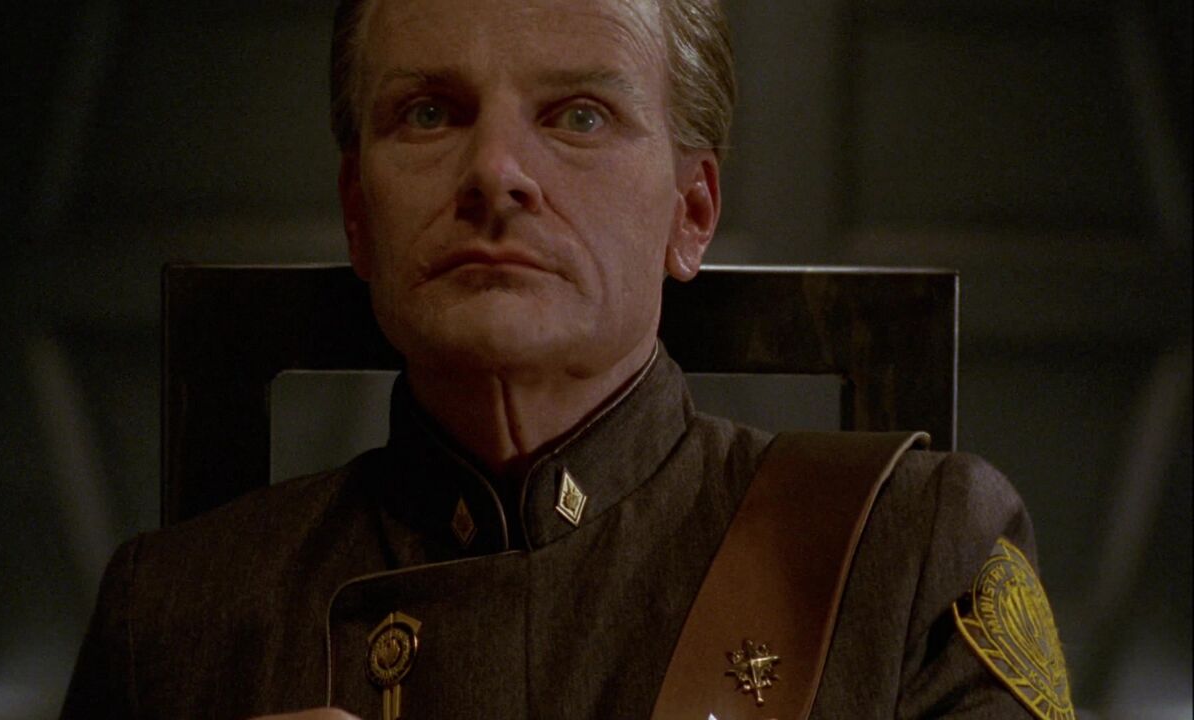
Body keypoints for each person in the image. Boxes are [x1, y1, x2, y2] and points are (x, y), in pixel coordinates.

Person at [62, 0, 1075, 718]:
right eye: (429, 112)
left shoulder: (915, 552)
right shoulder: (173, 615)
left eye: (579, 115)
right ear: (357, 213)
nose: (495, 171)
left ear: (691, 213)